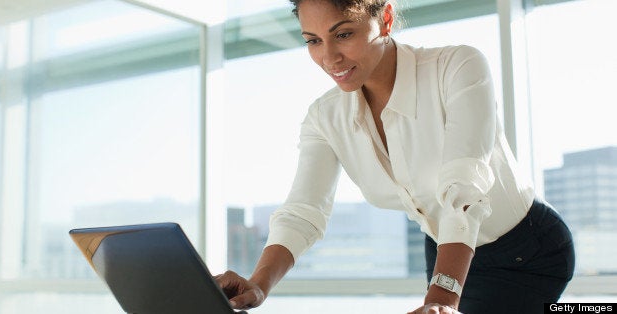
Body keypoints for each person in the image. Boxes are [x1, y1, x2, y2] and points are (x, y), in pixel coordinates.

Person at [215, 0, 575, 313]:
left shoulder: (458, 67)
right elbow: (302, 212)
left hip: (526, 250)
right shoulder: (324, 117)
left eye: (343, 34)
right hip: (444, 252)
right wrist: (259, 284)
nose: (328, 57)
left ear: (385, 19)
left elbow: (463, 188)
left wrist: (444, 297)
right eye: (313, 41)